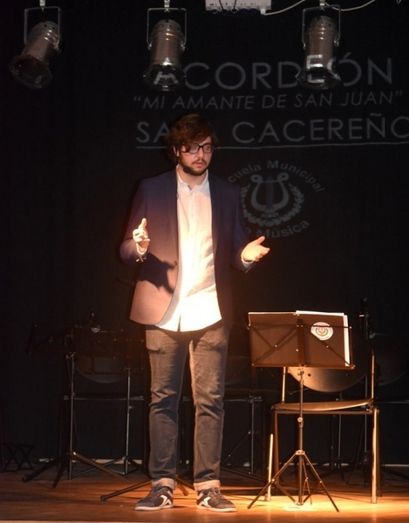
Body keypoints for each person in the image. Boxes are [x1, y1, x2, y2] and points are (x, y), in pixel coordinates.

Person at [120, 113, 269, 512]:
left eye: (206, 147)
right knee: (162, 400)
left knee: (211, 401)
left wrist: (245, 256)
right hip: (163, 309)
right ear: (176, 150)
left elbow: (236, 250)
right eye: (191, 148)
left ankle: (209, 486)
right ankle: (162, 485)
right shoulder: (151, 188)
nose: (200, 155)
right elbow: (127, 249)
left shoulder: (227, 192)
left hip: (210, 308)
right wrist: (138, 246)